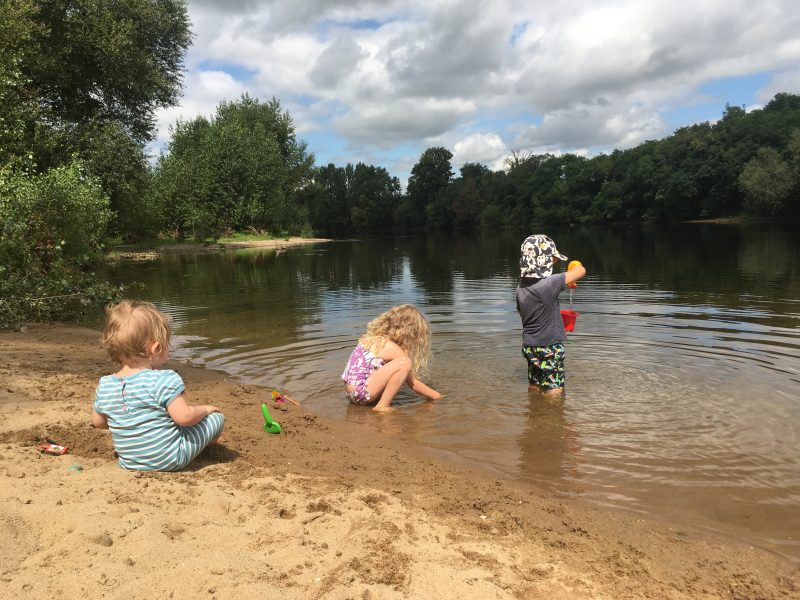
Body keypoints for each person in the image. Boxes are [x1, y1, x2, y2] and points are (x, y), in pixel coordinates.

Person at [92, 300, 225, 471]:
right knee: (216, 418)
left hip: (129, 462)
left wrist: (127, 419)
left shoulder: (105, 384)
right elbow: (185, 417)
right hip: (172, 458)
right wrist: (206, 409)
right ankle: (209, 442)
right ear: (156, 348)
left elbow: (98, 423)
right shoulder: (165, 378)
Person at [516, 234, 586, 395]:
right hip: (550, 346)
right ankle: (551, 417)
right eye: (553, 261)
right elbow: (581, 271)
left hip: (529, 346)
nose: (554, 264)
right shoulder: (550, 283)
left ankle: (534, 410)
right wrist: (575, 265)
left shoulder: (520, 287)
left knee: (535, 383)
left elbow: (524, 313)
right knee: (554, 389)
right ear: (545, 262)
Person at [341, 304, 443, 411]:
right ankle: (382, 406)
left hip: (351, 395)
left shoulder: (372, 340)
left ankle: (378, 403)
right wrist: (437, 396)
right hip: (362, 395)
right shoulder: (391, 348)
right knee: (404, 363)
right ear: (409, 333)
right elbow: (414, 384)